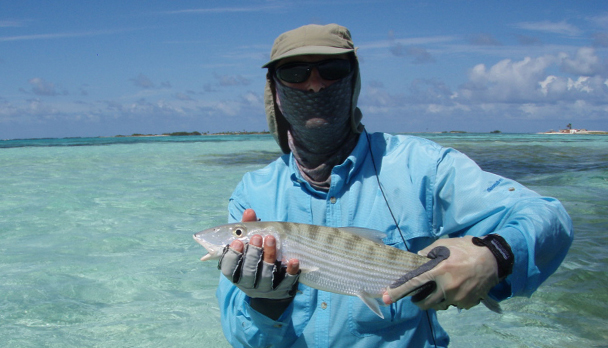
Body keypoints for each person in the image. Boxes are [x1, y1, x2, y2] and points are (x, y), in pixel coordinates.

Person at [215, 23, 573, 347]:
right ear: (274, 90)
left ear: (353, 80)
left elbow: (547, 216)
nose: (314, 84)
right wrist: (265, 302)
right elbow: (243, 340)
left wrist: (496, 253)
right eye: (294, 72)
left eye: (332, 69)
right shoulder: (253, 193)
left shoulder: (423, 167)